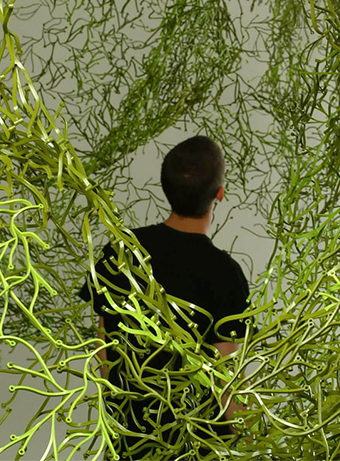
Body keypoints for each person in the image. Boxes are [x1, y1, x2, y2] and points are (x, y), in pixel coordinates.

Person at [78, 136, 250, 460]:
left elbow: (105, 345)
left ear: (165, 188)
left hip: (132, 440)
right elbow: (226, 381)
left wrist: (122, 413)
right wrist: (254, 439)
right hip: (197, 446)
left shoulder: (123, 251)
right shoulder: (225, 274)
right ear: (219, 194)